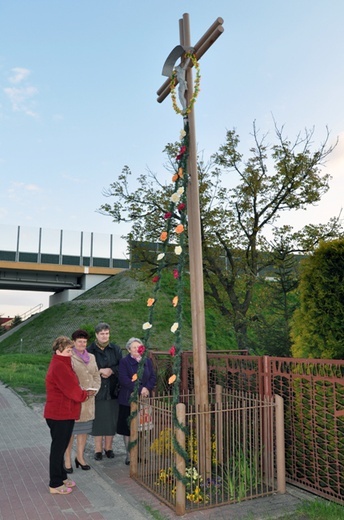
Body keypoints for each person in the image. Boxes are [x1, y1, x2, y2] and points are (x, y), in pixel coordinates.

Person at [44, 336, 96, 495]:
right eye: (68, 350)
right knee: (58, 449)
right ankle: (54, 483)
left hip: (64, 412)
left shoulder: (62, 363)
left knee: (61, 446)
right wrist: (85, 394)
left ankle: (62, 477)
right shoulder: (59, 366)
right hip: (59, 413)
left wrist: (82, 392)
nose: (70, 353)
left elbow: (72, 386)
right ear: (59, 350)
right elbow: (71, 389)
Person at [64, 329, 101, 473]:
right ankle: (67, 458)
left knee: (83, 431)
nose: (82, 344)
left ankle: (80, 457)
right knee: (70, 432)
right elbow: (67, 379)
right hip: (74, 400)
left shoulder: (91, 357)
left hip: (88, 400)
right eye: (79, 341)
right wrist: (79, 392)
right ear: (73, 342)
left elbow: (96, 375)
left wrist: (94, 389)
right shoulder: (69, 356)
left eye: (85, 341)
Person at [117, 337, 156, 465]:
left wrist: (147, 388)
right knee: (128, 428)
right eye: (134, 347)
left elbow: (153, 376)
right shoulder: (124, 362)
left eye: (139, 347)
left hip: (144, 399)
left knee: (143, 427)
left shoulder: (147, 361)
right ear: (129, 349)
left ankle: (142, 454)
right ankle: (129, 454)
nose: (137, 349)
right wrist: (140, 389)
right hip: (128, 399)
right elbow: (124, 379)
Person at [87, 322, 122, 460]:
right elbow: (85, 368)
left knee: (111, 420)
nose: (104, 336)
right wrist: (100, 370)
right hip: (98, 391)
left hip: (113, 390)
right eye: (102, 333)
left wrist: (112, 370)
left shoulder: (116, 349)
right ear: (96, 335)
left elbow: (122, 366)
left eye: (107, 333)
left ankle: (109, 448)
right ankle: (97, 450)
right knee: (98, 420)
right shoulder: (90, 350)